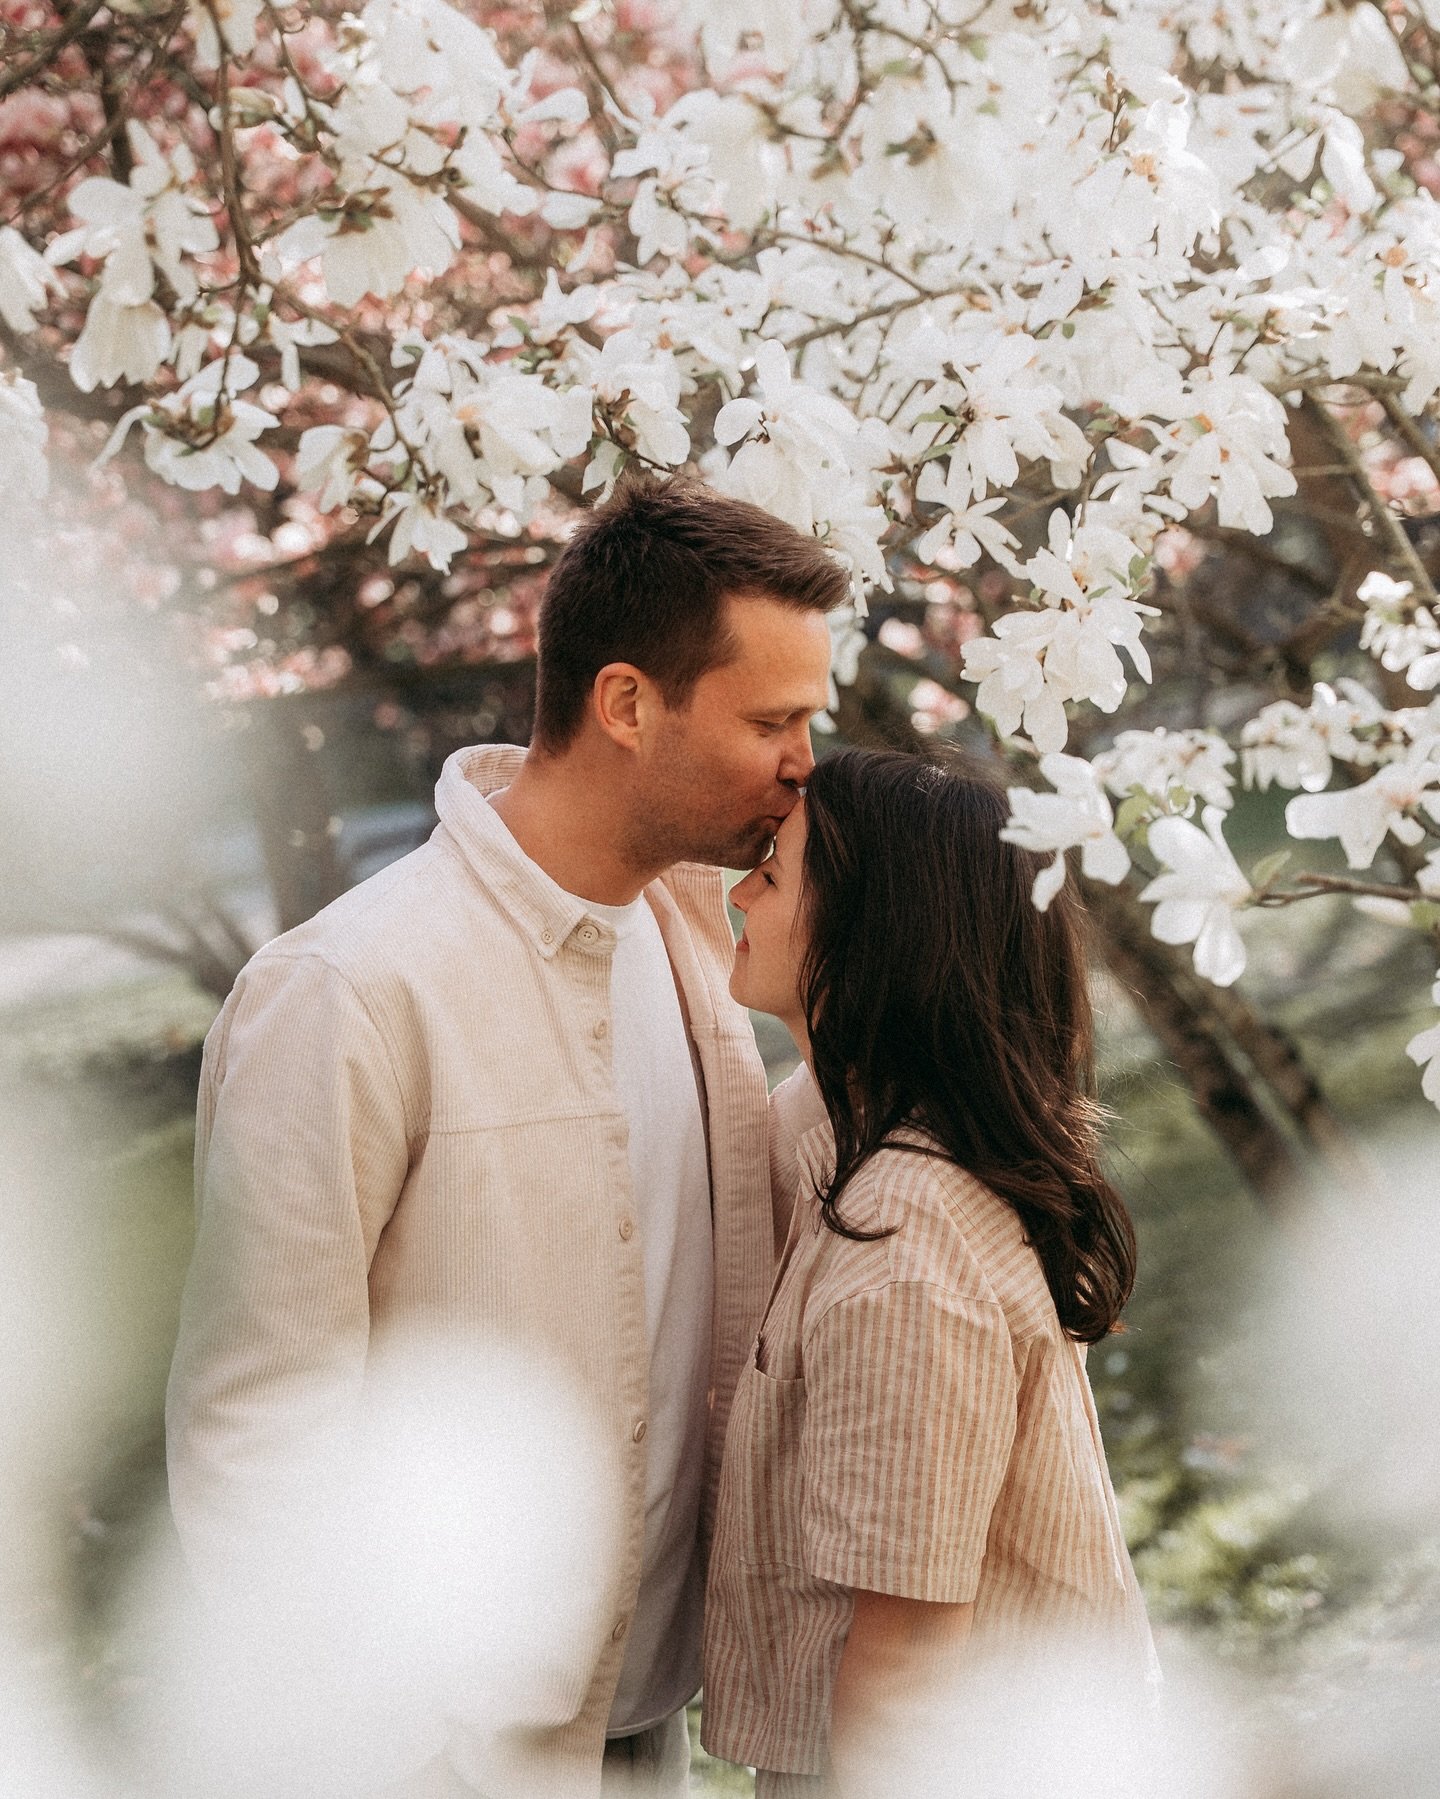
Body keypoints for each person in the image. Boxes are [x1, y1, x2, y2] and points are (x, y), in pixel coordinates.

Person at [164, 474, 843, 1799]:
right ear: (631, 703)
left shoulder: (689, 936)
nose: (803, 758)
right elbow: (257, 1431)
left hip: (651, 1725)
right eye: (774, 718)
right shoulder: (352, 988)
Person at [702, 748, 1157, 1798]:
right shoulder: (849, 1134)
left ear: (871, 935)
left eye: (769, 873)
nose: (735, 892)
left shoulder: (904, 1247)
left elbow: (903, 1661)